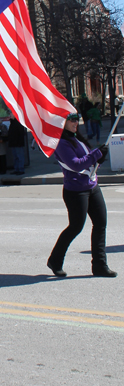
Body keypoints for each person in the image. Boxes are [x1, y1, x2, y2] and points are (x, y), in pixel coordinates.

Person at [47, 112, 117, 278]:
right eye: (71, 120)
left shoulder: (76, 138)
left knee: (101, 223)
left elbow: (89, 160)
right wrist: (96, 154)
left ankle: (99, 265)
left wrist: (100, 157)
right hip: (76, 191)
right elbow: (76, 165)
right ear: (62, 123)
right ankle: (55, 260)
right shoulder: (62, 143)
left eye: (76, 119)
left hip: (92, 186)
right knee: (75, 227)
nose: (75, 122)